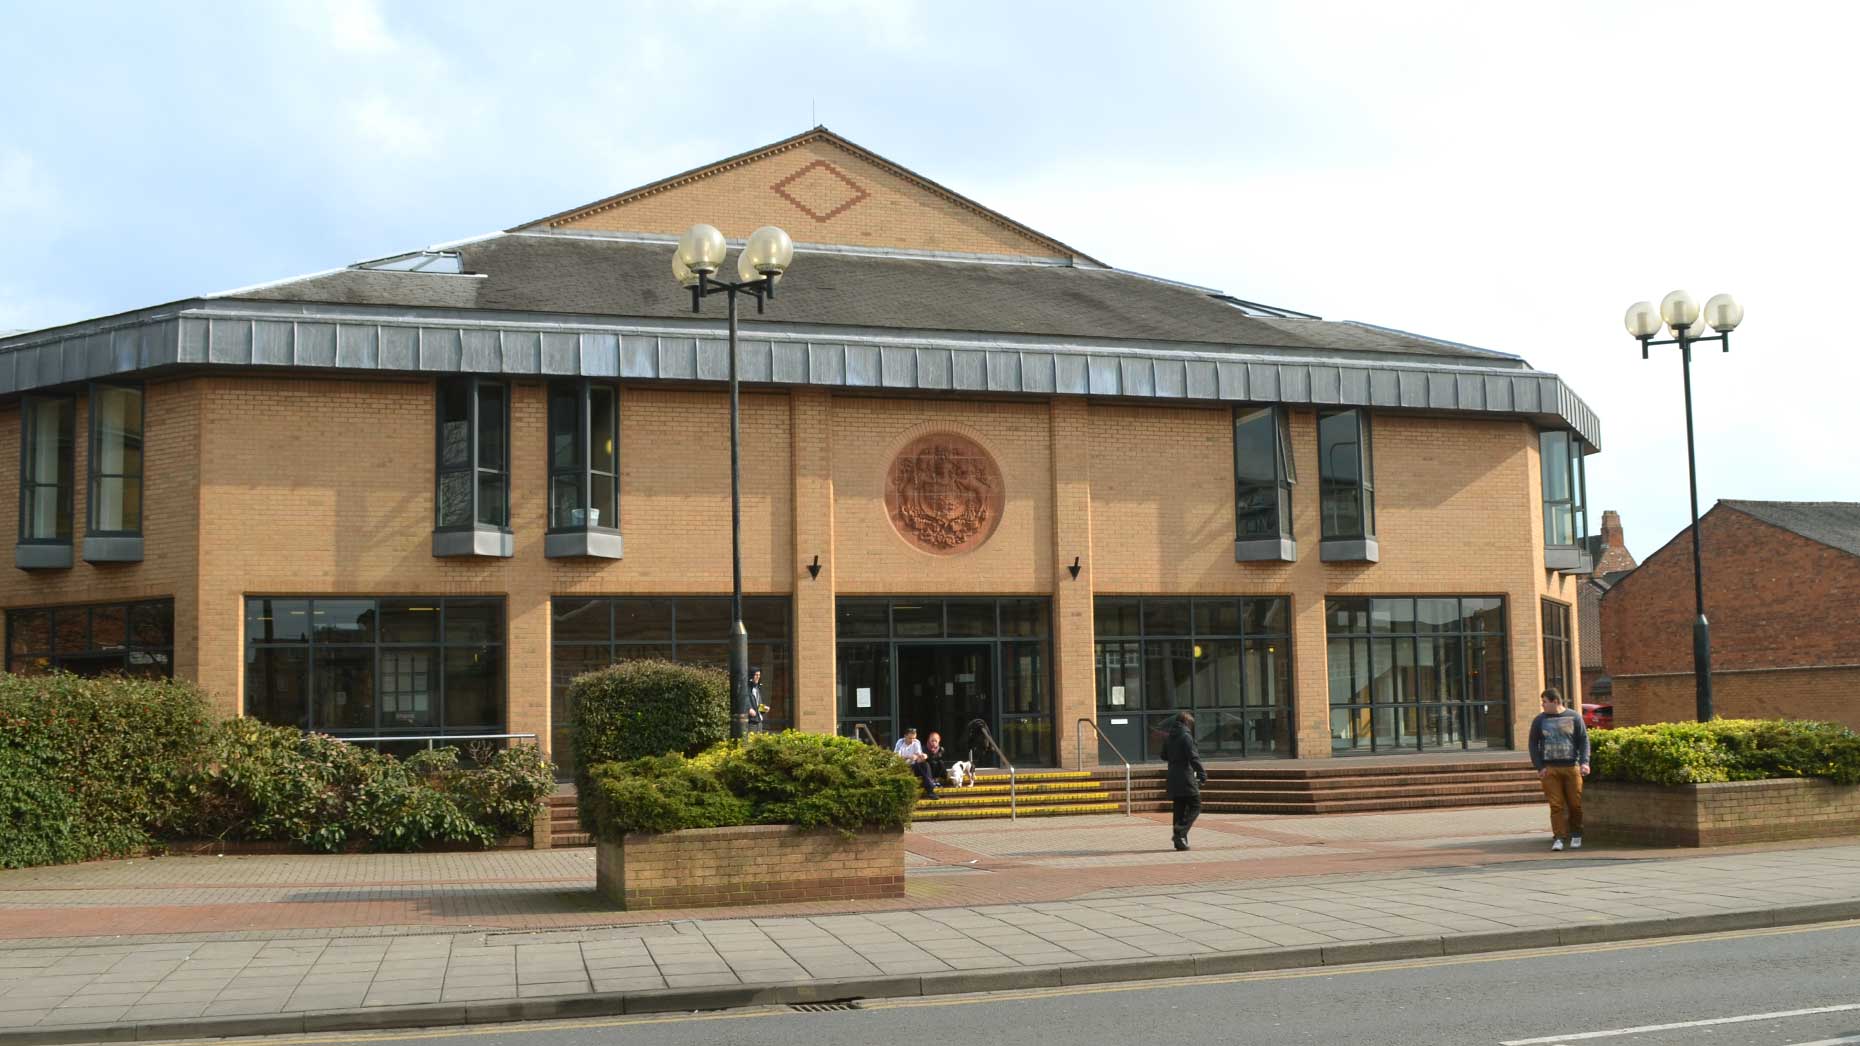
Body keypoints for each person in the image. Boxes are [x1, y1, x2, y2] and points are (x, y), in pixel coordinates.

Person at [1529, 687, 1590, 851]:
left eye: (1545, 702)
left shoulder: (1574, 717)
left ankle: (1576, 834)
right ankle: (1559, 837)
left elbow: (1584, 740)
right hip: (1550, 769)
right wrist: (1539, 766)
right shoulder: (1539, 720)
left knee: (1575, 804)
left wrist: (1585, 762)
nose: (1542, 706)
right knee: (1556, 805)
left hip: (1571, 767)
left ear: (1555, 701)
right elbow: (1533, 744)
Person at [1162, 711, 1206, 851]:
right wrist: (1201, 773)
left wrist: (1175, 758)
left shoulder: (1169, 737)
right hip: (1185, 776)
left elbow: (1163, 755)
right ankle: (1180, 832)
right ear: (1187, 723)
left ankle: (1179, 842)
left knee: (1179, 809)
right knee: (1196, 805)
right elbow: (1193, 757)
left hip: (1173, 776)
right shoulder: (1186, 736)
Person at [892, 727, 937, 798]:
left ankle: (930, 790)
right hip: (903, 767)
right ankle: (930, 787)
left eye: (914, 738)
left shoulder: (916, 742)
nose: (912, 740)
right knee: (920, 767)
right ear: (905, 736)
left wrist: (923, 756)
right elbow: (896, 757)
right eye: (910, 738)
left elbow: (919, 755)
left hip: (914, 767)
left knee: (925, 765)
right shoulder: (900, 742)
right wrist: (909, 757)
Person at [746, 668, 767, 732]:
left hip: (759, 722)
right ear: (751, 676)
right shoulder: (747, 688)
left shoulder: (757, 688)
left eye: (759, 675)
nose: (758, 677)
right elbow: (743, 700)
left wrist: (764, 709)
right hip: (751, 722)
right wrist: (749, 708)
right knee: (751, 741)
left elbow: (758, 703)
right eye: (756, 675)